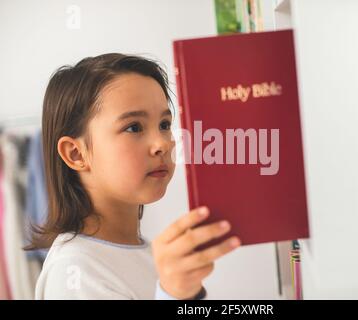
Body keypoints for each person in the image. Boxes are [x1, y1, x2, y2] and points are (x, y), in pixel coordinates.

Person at [27, 53, 241, 299]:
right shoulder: (73, 271)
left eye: (164, 124)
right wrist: (174, 294)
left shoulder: (149, 253)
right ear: (76, 153)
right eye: (134, 127)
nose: (162, 143)